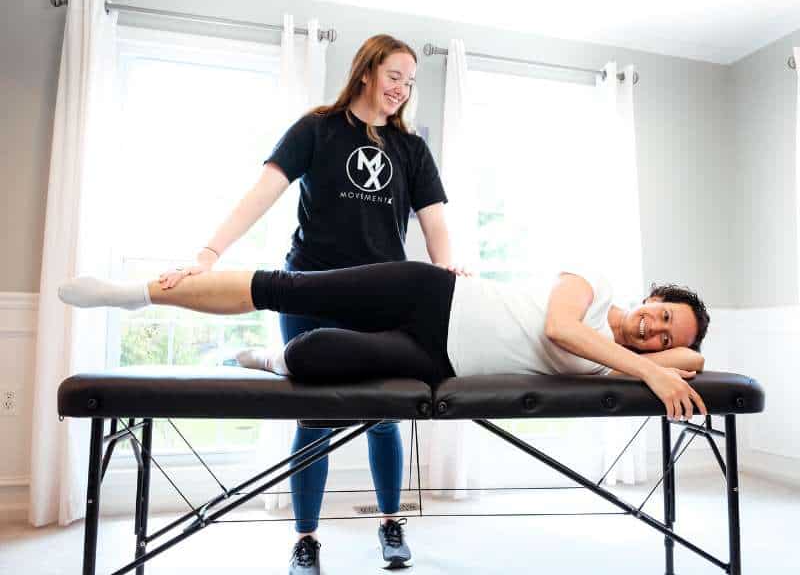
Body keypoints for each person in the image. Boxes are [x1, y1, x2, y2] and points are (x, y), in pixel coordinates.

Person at [151, 34, 459, 573]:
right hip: (309, 289)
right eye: (394, 76)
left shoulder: (410, 149)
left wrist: (449, 275)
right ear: (366, 71)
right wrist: (208, 255)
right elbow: (262, 193)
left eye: (410, 82)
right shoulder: (317, 129)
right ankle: (306, 539)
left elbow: (435, 224)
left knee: (383, 415)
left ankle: (391, 523)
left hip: (381, 296)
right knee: (314, 417)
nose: (402, 90)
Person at [59, 260, 711, 423]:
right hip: (430, 295)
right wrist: (650, 369)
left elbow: (697, 358)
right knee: (289, 288)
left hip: (438, 358)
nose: (655, 332)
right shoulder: (594, 285)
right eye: (662, 314)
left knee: (313, 357)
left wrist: (660, 361)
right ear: (651, 295)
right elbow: (558, 329)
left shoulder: (619, 364)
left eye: (664, 338)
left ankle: (264, 356)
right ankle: (135, 292)